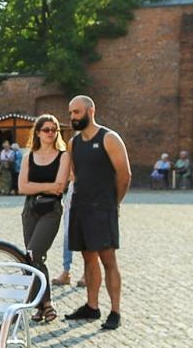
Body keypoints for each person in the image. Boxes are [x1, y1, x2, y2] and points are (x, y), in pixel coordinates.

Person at [63, 95, 130, 329]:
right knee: (88, 258)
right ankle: (92, 307)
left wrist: (114, 203)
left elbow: (124, 175)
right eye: (71, 113)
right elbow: (75, 175)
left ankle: (115, 311)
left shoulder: (109, 138)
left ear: (91, 111)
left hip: (103, 209)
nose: (72, 117)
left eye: (76, 112)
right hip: (80, 209)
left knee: (108, 260)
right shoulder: (74, 143)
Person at [19, 113, 72, 322]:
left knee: (34, 253)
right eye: (47, 129)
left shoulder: (63, 156)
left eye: (54, 130)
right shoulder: (28, 157)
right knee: (34, 258)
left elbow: (60, 188)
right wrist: (48, 186)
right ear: (38, 133)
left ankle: (46, 304)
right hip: (30, 210)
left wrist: (39, 187)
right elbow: (22, 187)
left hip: (50, 211)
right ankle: (42, 306)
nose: (51, 133)